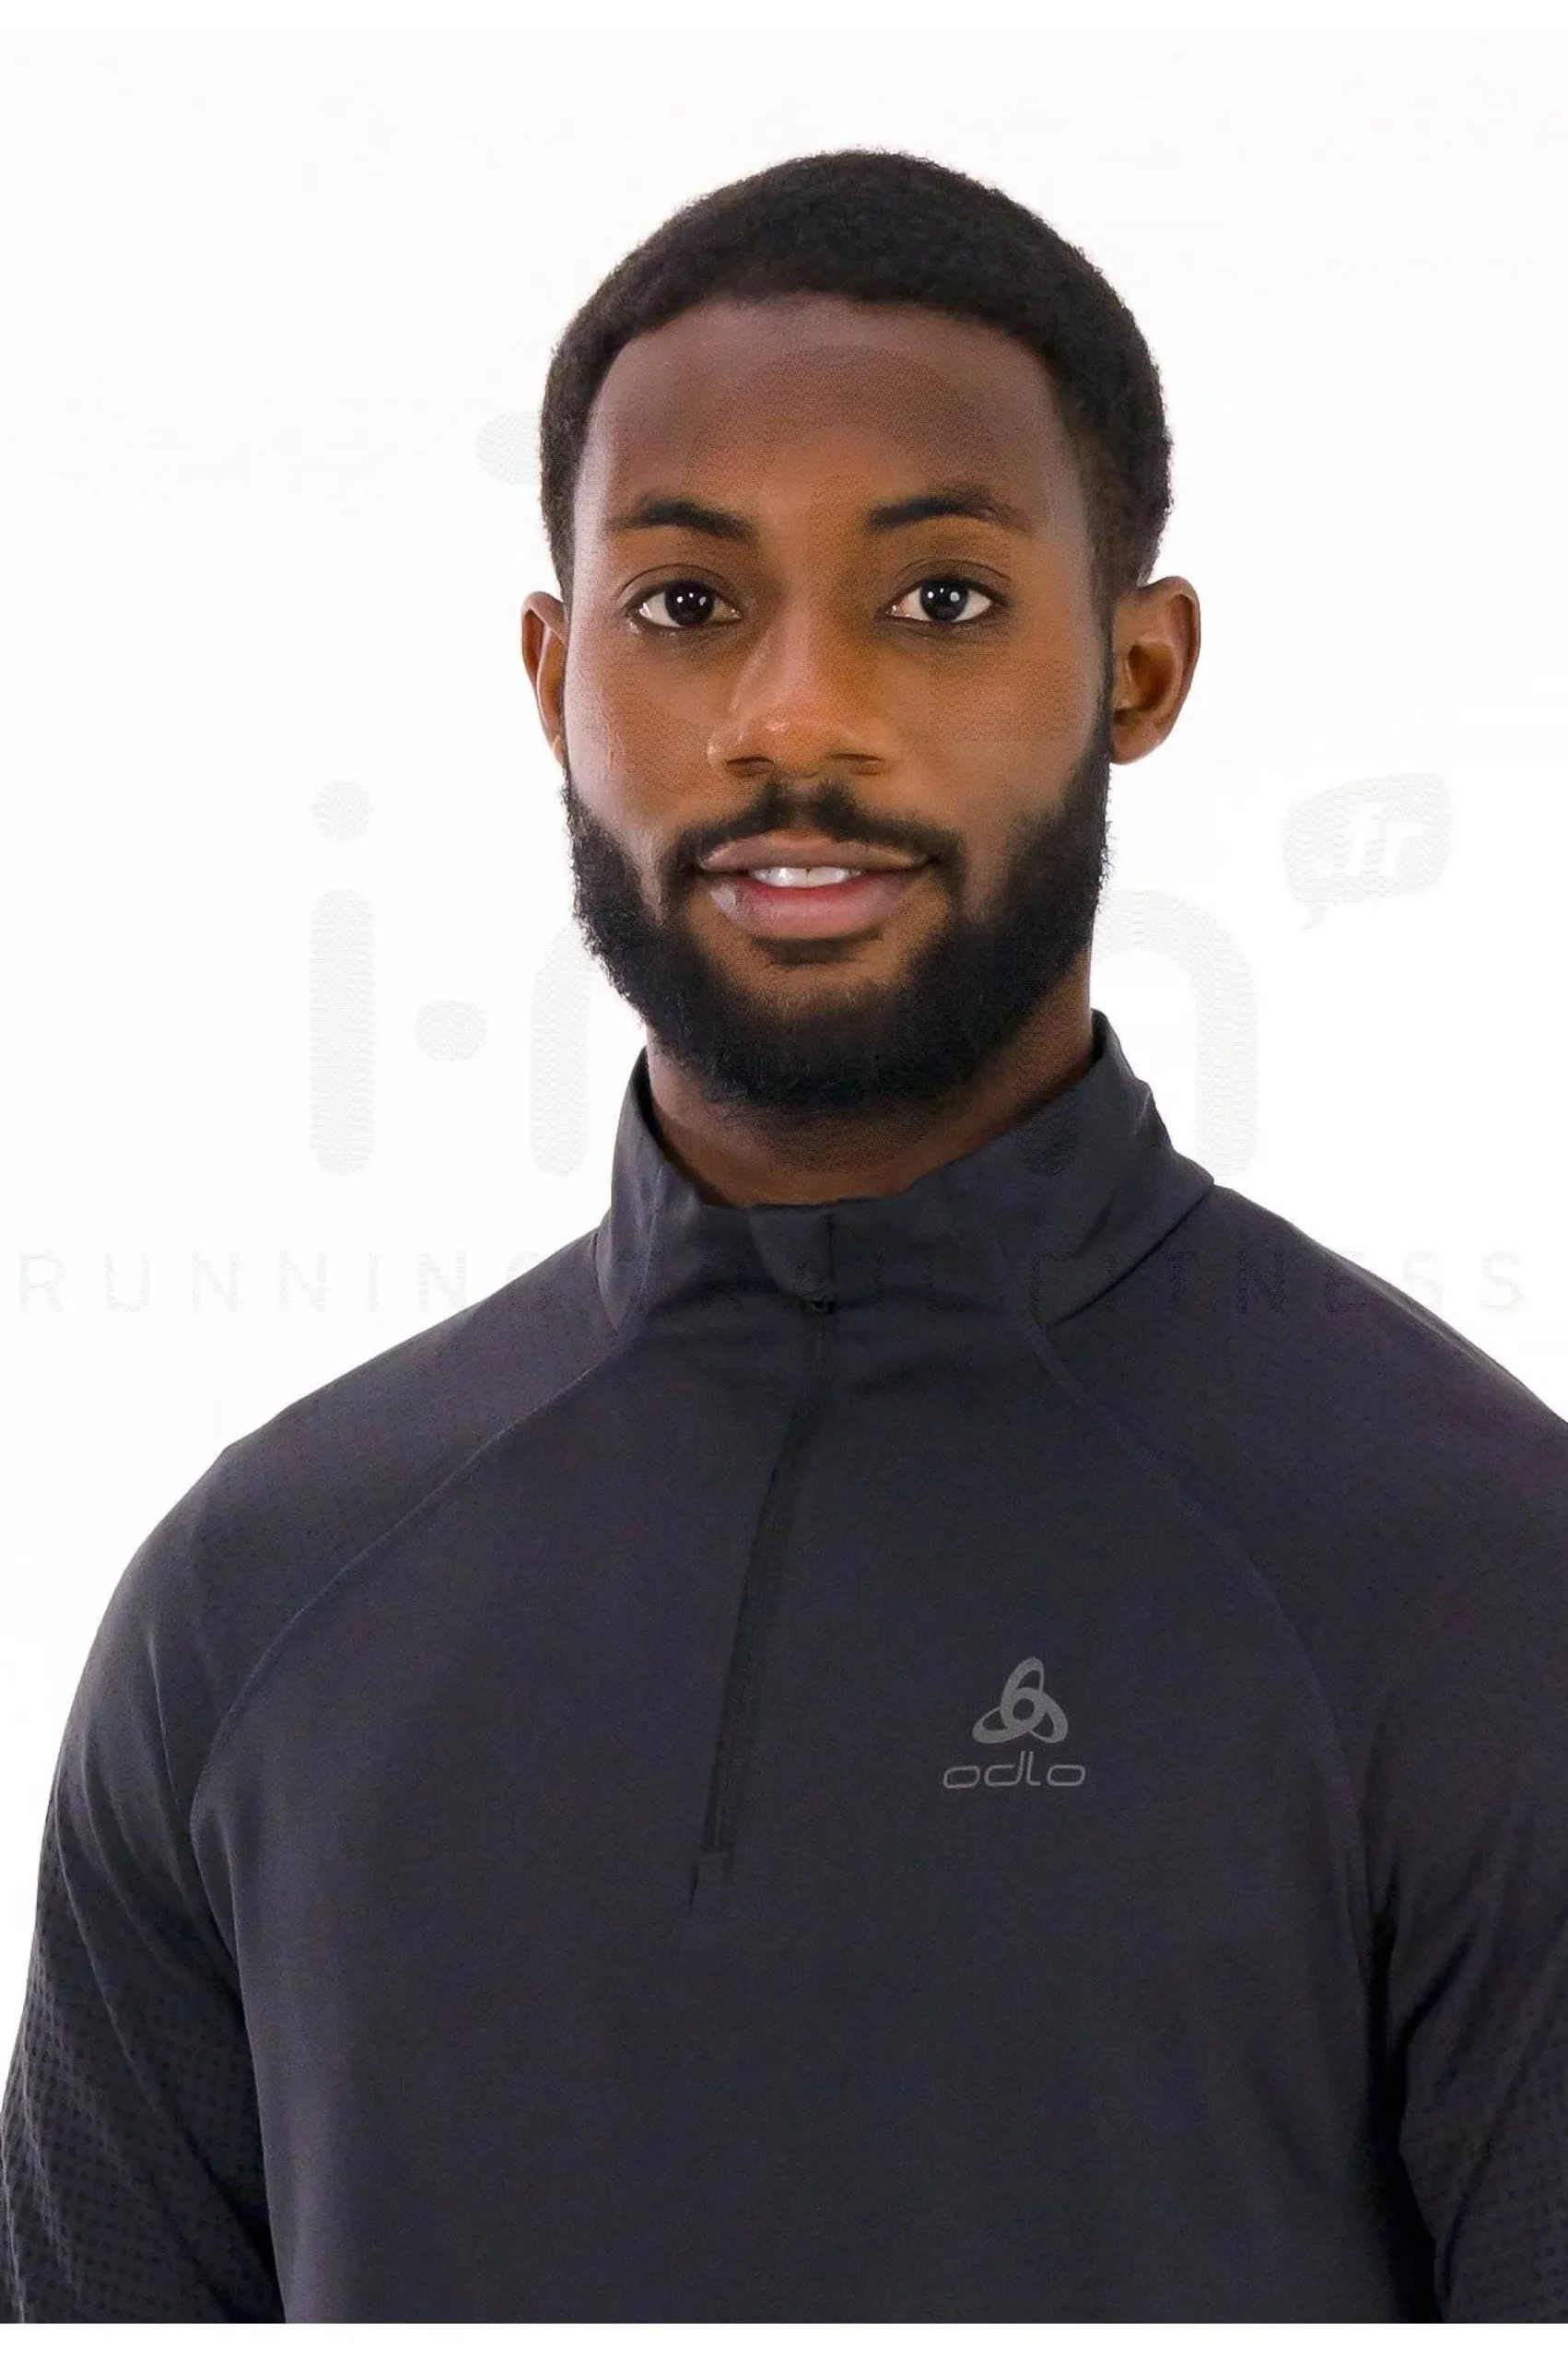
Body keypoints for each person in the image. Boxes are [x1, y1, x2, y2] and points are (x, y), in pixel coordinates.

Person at [3, 147, 1566, 2326]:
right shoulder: (247, 1604)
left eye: (938, 601)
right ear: (552, 670)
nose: (794, 716)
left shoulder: (1474, 1578)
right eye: (684, 605)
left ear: (1136, 667)